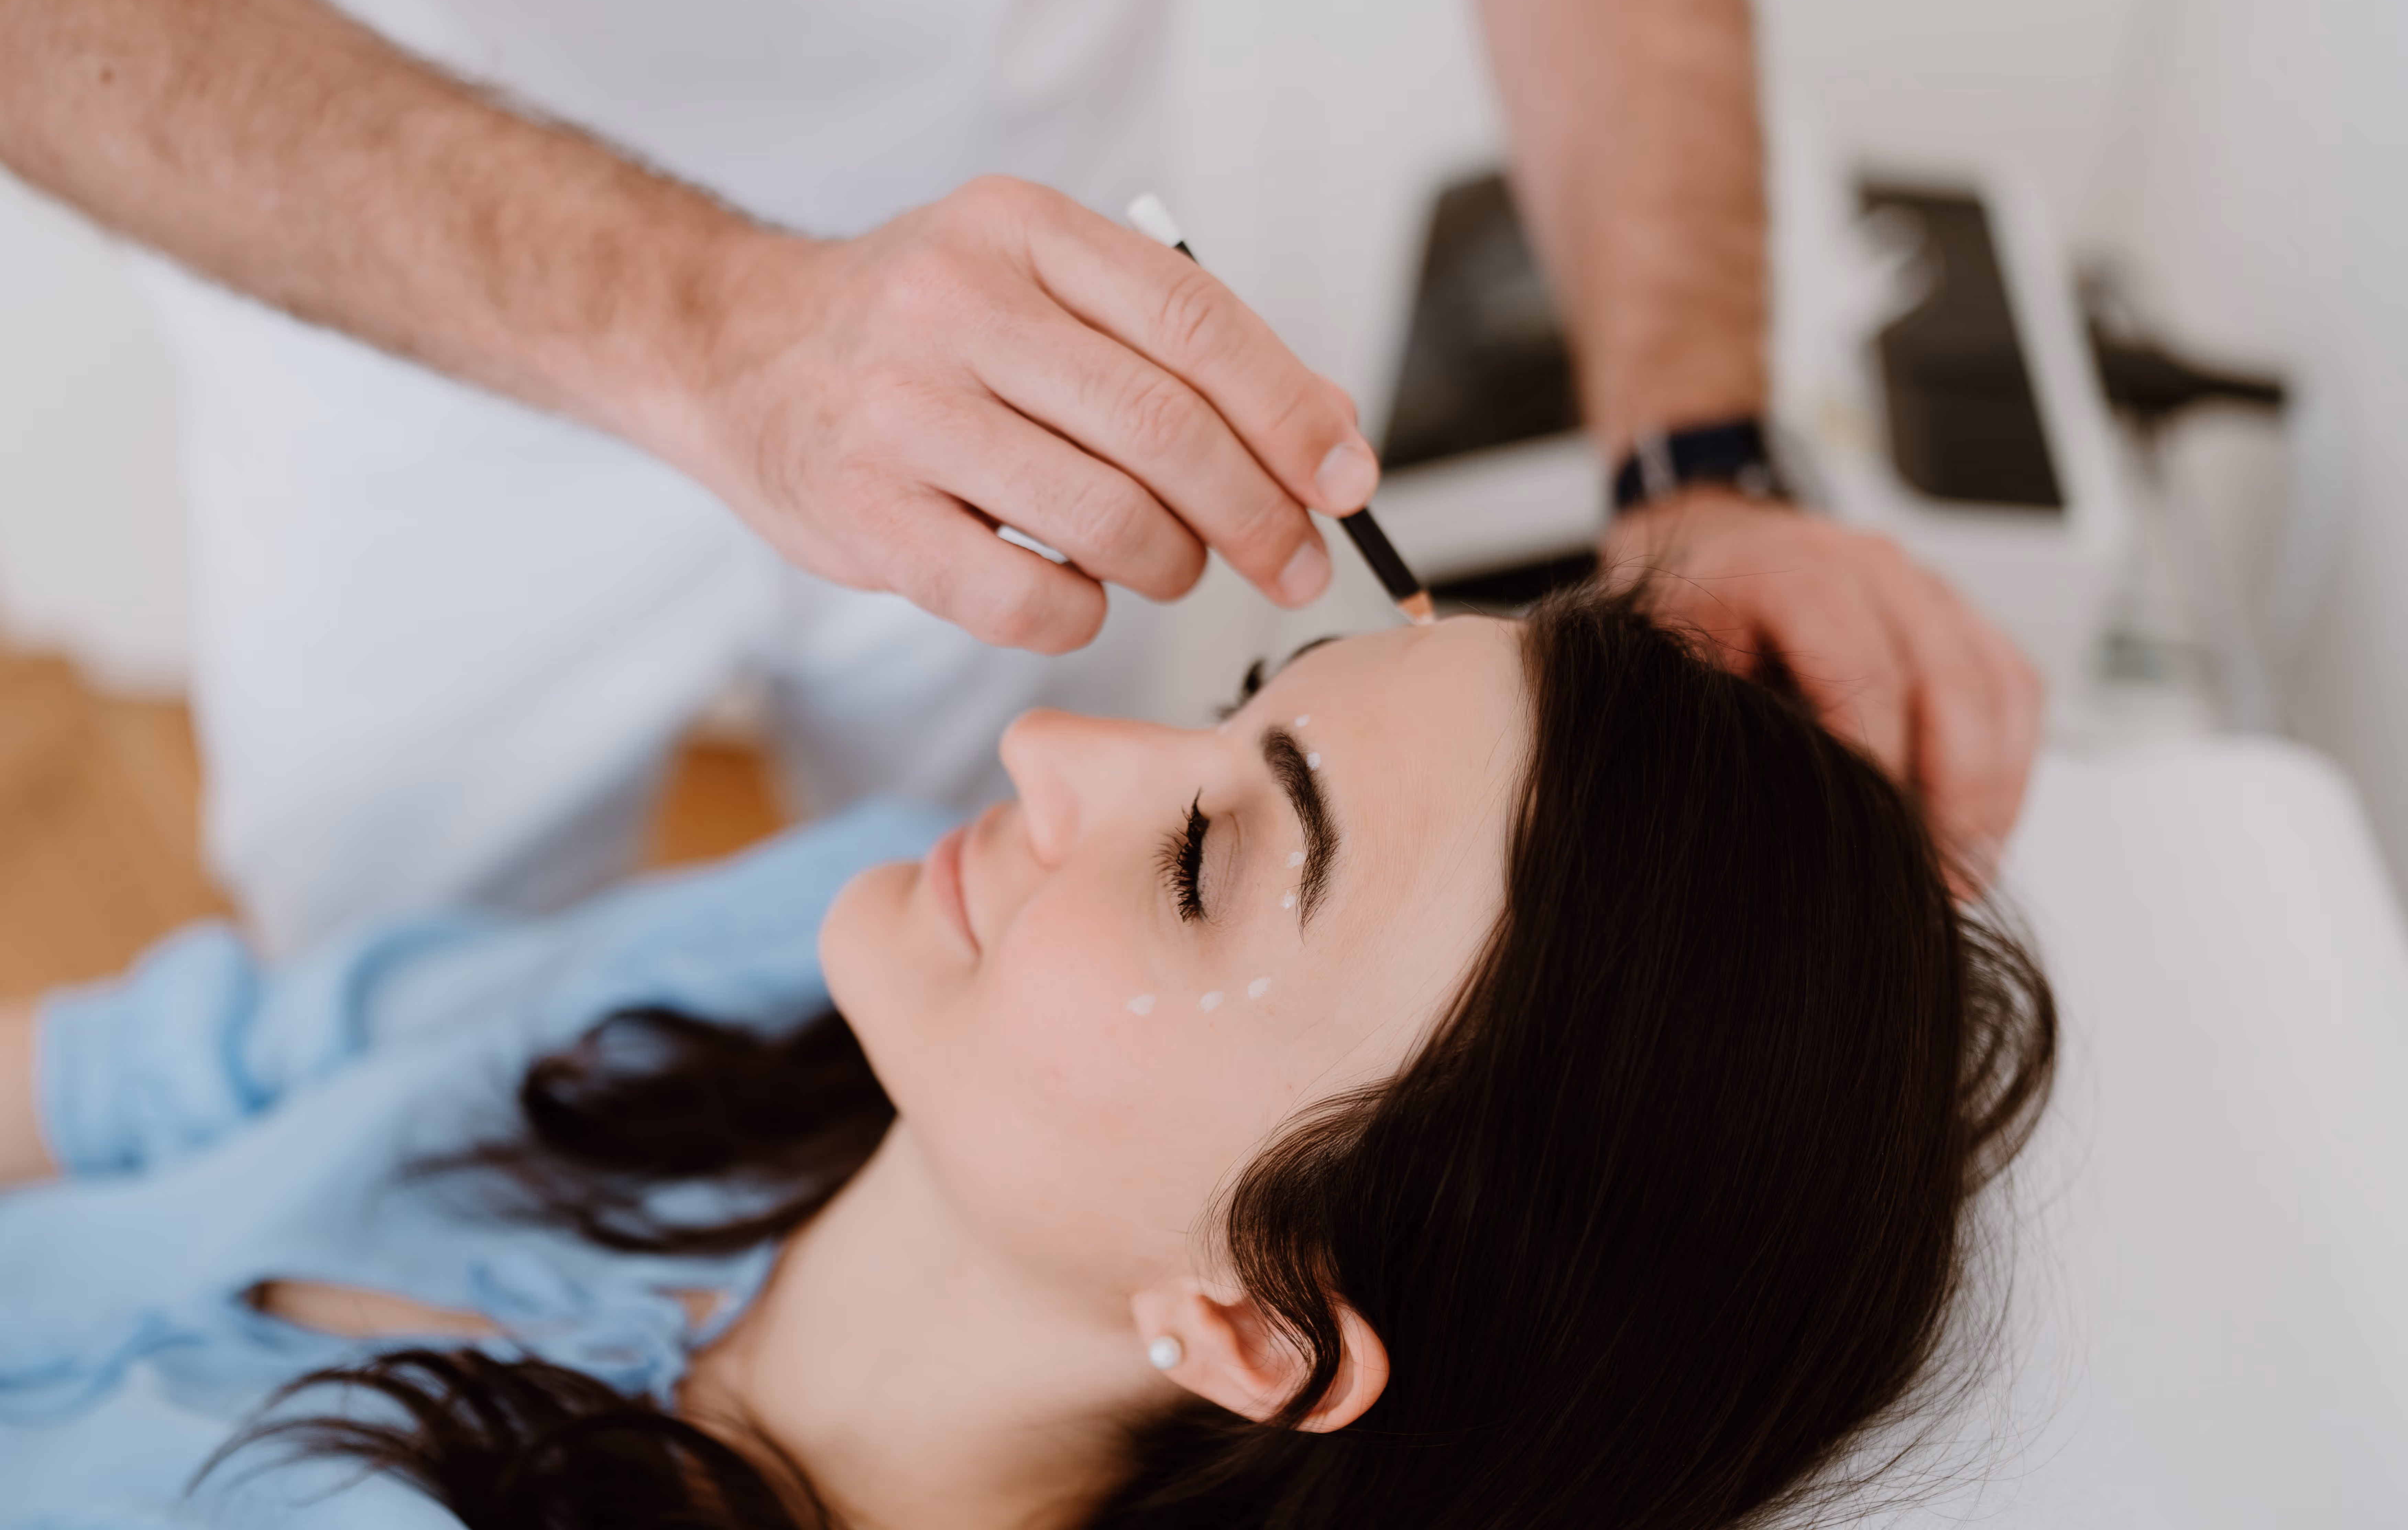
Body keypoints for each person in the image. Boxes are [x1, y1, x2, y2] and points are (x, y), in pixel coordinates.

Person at [0, 0, 2042, 952]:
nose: (1092, 760)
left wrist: (1694, 459)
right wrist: (718, 324)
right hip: (422, 322)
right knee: (406, 993)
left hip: (1048, 333)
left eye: (1240, 828)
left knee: (942, 910)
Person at [0, 585, 2055, 1528]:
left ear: (1262, 1320)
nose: (1053, 749)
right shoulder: (819, 949)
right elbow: (165, 1076)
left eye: (1199, 861)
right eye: (1251, 703)